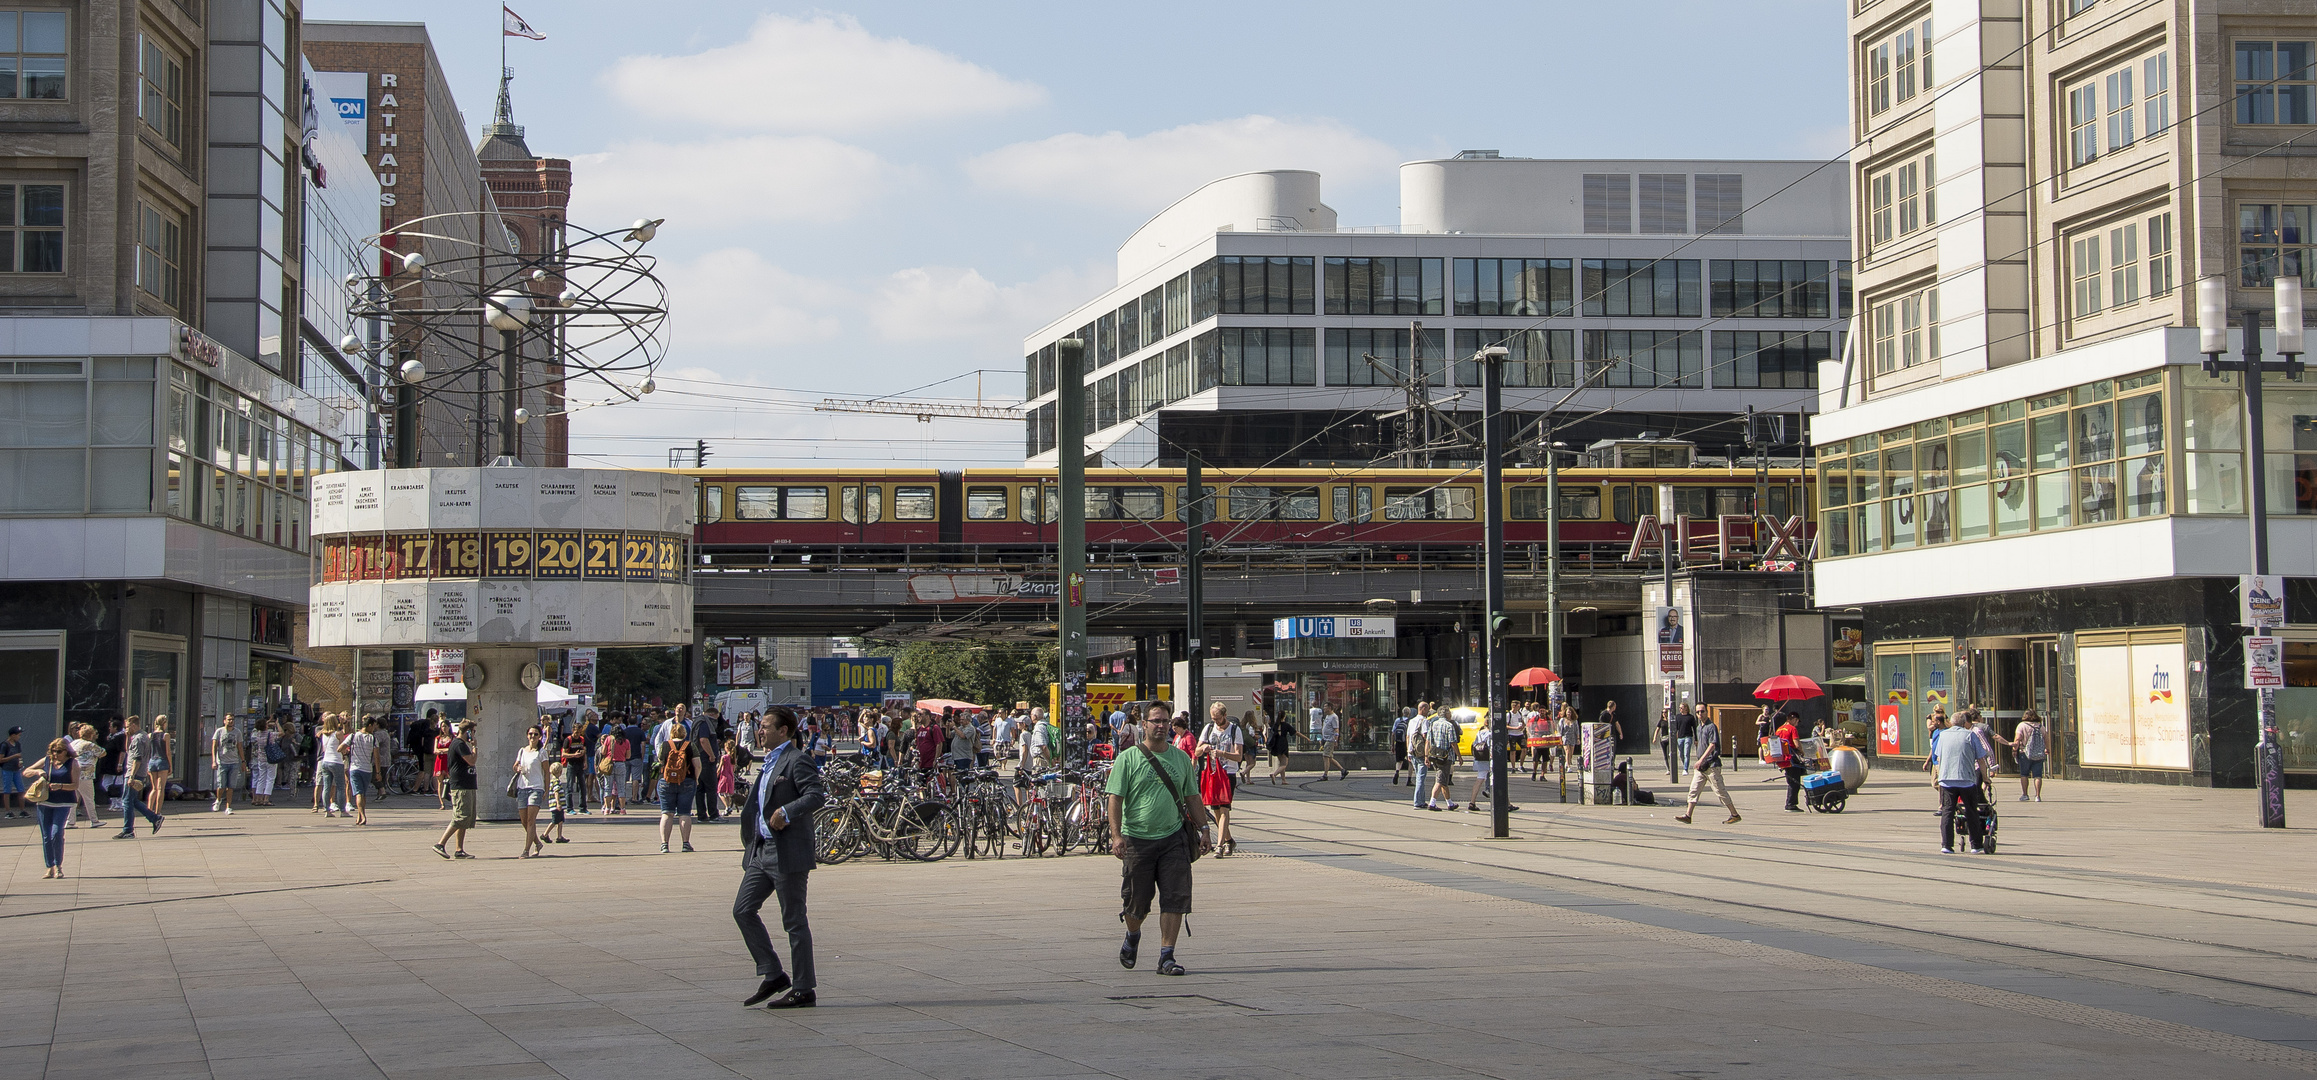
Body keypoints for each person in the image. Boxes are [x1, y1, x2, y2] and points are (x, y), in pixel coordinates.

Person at [1108, 704, 1211, 977]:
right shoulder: (1128, 759)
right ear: (1144, 724)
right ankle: (1132, 935)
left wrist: (1204, 829)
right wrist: (1117, 835)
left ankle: (1167, 956)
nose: (1161, 726)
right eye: (1156, 721)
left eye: (1165, 721)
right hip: (1137, 840)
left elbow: (1192, 797)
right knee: (1136, 902)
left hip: (1173, 838)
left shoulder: (1180, 758)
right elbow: (1115, 799)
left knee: (1175, 898)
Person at [735, 706, 825, 1009]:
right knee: (743, 909)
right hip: (762, 850)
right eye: (760, 726)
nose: (760, 731)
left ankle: (803, 988)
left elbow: (815, 795)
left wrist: (786, 812)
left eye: (765, 726)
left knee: (794, 922)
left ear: (783, 731)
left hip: (788, 851)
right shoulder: (769, 761)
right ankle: (773, 973)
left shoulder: (797, 760)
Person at [1931, 710, 1992, 854]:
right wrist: (1985, 777)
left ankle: (1946, 845)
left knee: (1948, 811)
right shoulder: (1970, 735)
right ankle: (1976, 845)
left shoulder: (1943, 735)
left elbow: (1938, 758)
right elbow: (1981, 759)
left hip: (1947, 780)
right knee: (1971, 811)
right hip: (1966, 779)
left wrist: (1941, 775)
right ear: (1964, 723)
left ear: (1951, 723)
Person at [22, 737, 79, 877]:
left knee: (57, 833)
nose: (55, 754)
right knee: (46, 835)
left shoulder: (73, 763)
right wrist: (38, 772)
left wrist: (60, 786)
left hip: (63, 802)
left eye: (59, 751)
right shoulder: (48, 760)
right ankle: (50, 867)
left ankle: (59, 865)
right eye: (53, 751)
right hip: (44, 801)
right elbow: (26, 771)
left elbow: (75, 785)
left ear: (66, 751)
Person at [1674, 710, 1741, 825]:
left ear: (1706, 712)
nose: (1700, 714)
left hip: (1711, 765)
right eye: (1698, 712)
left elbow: (1713, 745)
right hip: (1701, 767)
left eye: (1702, 711)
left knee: (1720, 791)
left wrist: (1701, 760)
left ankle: (1734, 814)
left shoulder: (1711, 727)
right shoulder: (1699, 727)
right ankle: (1688, 815)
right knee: (1693, 790)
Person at [1195, 703, 1243, 855]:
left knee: (1224, 809)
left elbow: (1239, 756)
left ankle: (1220, 846)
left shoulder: (1235, 730)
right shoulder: (1209, 728)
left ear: (1225, 715)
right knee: (1216, 811)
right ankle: (1229, 840)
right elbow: (1196, 752)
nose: (1216, 722)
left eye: (1218, 719)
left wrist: (1223, 754)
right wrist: (1203, 748)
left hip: (1228, 773)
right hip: (1212, 773)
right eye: (1213, 719)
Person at [658, 721, 708, 854]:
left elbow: (660, 763)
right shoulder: (690, 746)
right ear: (685, 733)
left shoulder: (665, 745)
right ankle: (685, 844)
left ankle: (664, 845)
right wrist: (696, 779)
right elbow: (697, 765)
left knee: (666, 813)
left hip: (666, 782)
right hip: (687, 781)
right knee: (684, 813)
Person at [433, 721, 478, 859]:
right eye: (473, 732)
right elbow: (471, 760)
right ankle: (440, 843)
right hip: (461, 786)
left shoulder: (460, 744)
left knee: (464, 819)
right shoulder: (459, 744)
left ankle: (459, 849)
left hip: (467, 785)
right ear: (468, 732)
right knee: (460, 817)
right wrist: (475, 747)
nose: (474, 735)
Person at [114, 716, 165, 838]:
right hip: (134, 772)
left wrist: (131, 776)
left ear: (133, 725)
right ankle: (155, 818)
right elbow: (128, 751)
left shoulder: (139, 739)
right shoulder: (137, 737)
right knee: (132, 800)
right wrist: (127, 737)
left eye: (127, 727)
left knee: (126, 800)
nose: (126, 729)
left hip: (134, 773)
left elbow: (137, 759)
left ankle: (128, 830)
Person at [1998, 709, 2048, 802]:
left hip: (2024, 752)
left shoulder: (2022, 725)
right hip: (2038, 754)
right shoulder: (2041, 726)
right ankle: (2037, 796)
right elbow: (2046, 738)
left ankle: (2025, 794)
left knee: (2024, 774)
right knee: (2038, 775)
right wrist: (2047, 749)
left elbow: (2017, 739)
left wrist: (2014, 749)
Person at [513, 727, 547, 858]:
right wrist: (517, 768)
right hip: (522, 788)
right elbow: (515, 765)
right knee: (524, 821)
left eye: (535, 734)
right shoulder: (522, 751)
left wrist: (546, 789)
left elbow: (546, 772)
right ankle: (537, 843)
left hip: (536, 788)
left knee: (530, 820)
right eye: (530, 734)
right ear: (527, 735)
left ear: (539, 736)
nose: (532, 736)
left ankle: (526, 850)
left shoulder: (542, 752)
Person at [1424, 706, 1461, 811]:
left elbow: (1428, 742)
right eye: (1450, 713)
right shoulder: (1449, 725)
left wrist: (1426, 756)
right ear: (1447, 714)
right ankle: (1432, 803)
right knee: (1440, 780)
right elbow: (1453, 743)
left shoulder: (1432, 724)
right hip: (1445, 757)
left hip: (1434, 756)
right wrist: (1459, 757)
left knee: (1443, 779)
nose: (1451, 715)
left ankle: (1450, 803)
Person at [1767, 711, 1805, 812]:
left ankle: (1790, 803)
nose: (1797, 723)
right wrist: (1802, 752)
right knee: (1795, 782)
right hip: (1791, 758)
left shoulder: (1779, 729)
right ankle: (1791, 804)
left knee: (1791, 781)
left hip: (1782, 759)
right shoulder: (1792, 729)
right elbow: (1796, 744)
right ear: (1793, 719)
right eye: (1797, 721)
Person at [315, 715, 349, 818]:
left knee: (326, 786)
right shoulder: (338, 734)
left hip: (325, 761)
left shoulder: (323, 734)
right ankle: (343, 810)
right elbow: (342, 748)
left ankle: (326, 810)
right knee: (340, 787)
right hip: (336, 761)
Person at [348, 717, 381, 826]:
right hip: (367, 769)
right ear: (370, 725)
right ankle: (361, 815)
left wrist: (344, 751)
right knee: (363, 794)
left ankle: (361, 815)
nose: (375, 728)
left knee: (359, 794)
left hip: (355, 768)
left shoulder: (353, 736)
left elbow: (340, 747)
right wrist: (378, 772)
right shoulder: (373, 739)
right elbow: (376, 757)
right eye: (374, 726)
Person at [69, 724, 101, 827]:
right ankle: (94, 820)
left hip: (73, 773)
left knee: (73, 799)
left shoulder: (73, 743)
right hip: (85, 775)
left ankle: (70, 822)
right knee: (89, 798)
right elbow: (103, 752)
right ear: (91, 735)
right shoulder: (90, 745)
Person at [145, 716, 173, 814]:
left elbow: (148, 751)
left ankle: (148, 810)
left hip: (152, 762)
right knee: (161, 788)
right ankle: (157, 811)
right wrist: (170, 765)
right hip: (162, 761)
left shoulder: (150, 735)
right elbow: (168, 752)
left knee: (154, 788)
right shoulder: (166, 735)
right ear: (164, 723)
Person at [1315, 705, 1346, 780]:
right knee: (1329, 758)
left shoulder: (1334, 717)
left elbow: (1336, 729)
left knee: (1326, 756)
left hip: (1330, 739)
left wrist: (1335, 740)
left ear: (1329, 708)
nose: (1324, 708)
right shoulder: (1327, 716)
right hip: (1326, 739)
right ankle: (1343, 770)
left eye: (1325, 707)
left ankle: (1325, 775)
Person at [543, 760, 570, 845]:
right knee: (554, 821)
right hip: (556, 805)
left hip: (554, 805)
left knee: (560, 821)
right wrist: (558, 803)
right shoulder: (556, 781)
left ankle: (559, 836)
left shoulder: (552, 780)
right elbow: (556, 792)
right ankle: (545, 834)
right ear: (560, 772)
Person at [1389, 707, 1413, 786]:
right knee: (1410, 761)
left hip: (1398, 743)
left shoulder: (1397, 720)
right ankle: (1409, 779)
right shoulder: (1410, 722)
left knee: (1399, 760)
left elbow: (1393, 733)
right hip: (1407, 743)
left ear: (1402, 713)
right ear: (1409, 714)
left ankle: (1397, 771)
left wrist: (1392, 745)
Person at [1266, 710, 1292, 784]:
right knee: (1284, 764)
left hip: (1276, 745)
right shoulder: (1285, 725)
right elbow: (1295, 732)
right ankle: (1274, 774)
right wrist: (1306, 738)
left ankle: (1283, 780)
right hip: (1283, 745)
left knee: (1281, 763)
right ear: (1284, 716)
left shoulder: (1275, 725)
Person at [432, 720, 453, 809]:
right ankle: (442, 803)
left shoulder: (452, 737)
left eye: (445, 726)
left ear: (449, 727)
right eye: (442, 726)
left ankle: (452, 800)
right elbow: (435, 750)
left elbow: (451, 749)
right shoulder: (438, 738)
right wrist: (444, 750)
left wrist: (442, 751)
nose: (444, 728)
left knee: (451, 781)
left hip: (448, 761)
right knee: (440, 782)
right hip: (440, 761)